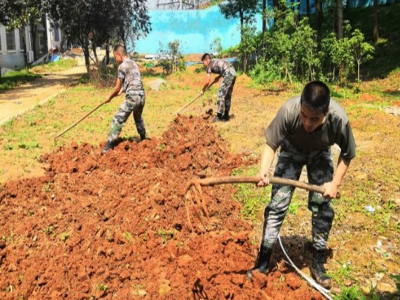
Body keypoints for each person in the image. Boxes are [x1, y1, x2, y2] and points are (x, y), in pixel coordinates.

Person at [247, 81, 356, 289]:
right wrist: (264, 171)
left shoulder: (338, 119)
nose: (307, 123)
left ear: (325, 112)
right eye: (304, 115)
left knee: (322, 208)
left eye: (314, 119)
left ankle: (318, 260)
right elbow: (271, 144)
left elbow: (347, 154)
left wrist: (334, 183)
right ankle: (262, 261)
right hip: (292, 149)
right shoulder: (288, 111)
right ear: (300, 105)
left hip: (320, 153)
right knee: (277, 205)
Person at [102, 44, 146, 154]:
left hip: (132, 97)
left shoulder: (121, 67)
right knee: (138, 117)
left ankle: (108, 145)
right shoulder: (134, 64)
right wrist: (123, 90)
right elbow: (133, 80)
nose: (115, 59)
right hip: (142, 96)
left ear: (119, 55)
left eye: (115, 57)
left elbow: (117, 87)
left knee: (118, 118)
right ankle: (144, 138)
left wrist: (109, 97)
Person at [201, 53, 236, 123]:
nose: (203, 65)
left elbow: (207, 81)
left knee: (221, 94)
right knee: (227, 95)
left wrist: (203, 90)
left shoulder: (209, 66)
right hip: (233, 73)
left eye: (203, 62)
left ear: (207, 60)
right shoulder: (214, 61)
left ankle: (219, 116)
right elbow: (224, 67)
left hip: (228, 74)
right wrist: (219, 77)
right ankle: (226, 115)